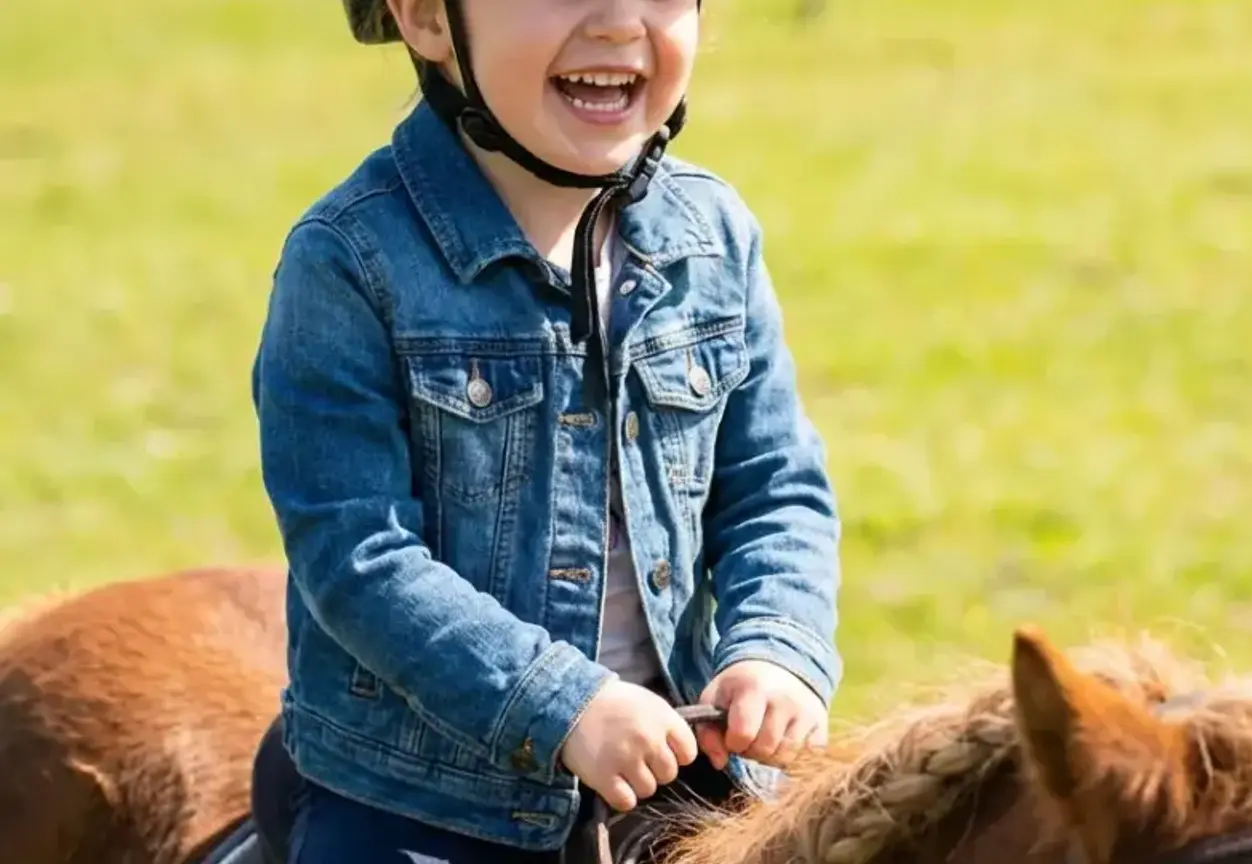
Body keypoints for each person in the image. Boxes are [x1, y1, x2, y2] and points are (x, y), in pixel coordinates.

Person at [248, 0, 843, 861]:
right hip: (422, 804)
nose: (617, 22)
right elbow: (357, 556)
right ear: (423, 18)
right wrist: (562, 704)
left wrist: (776, 648)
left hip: (687, 760)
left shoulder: (713, 239)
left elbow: (773, 487)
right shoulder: (348, 262)